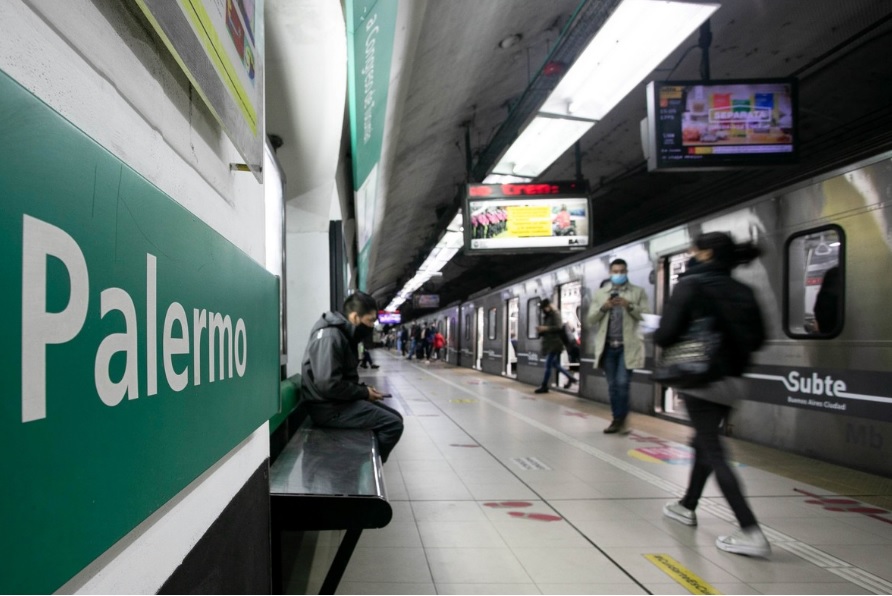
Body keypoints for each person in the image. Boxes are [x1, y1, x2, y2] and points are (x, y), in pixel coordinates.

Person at [654, 232, 770, 558]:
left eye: (693, 250)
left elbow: (665, 334)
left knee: (714, 450)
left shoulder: (691, 284)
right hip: (733, 380)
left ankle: (750, 530)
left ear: (704, 254)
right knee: (703, 442)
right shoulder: (743, 290)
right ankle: (686, 505)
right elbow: (759, 339)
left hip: (701, 377)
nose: (691, 256)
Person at [300, 292, 403, 462]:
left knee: (396, 417)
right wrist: (363, 393)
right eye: (370, 320)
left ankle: (365, 462)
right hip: (327, 409)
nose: (371, 326)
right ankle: (365, 466)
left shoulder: (341, 334)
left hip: (334, 403)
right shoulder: (330, 336)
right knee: (393, 424)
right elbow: (328, 384)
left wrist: (364, 390)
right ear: (355, 317)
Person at [587, 258, 650, 434]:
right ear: (610, 273)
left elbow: (646, 316)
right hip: (608, 347)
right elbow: (591, 319)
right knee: (613, 385)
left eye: (622, 271)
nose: (619, 274)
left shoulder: (638, 292)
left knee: (622, 383)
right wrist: (604, 307)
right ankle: (617, 419)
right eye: (615, 271)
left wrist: (629, 305)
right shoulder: (600, 294)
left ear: (626, 272)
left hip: (627, 346)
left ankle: (620, 419)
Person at [534, 299, 576, 393]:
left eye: (545, 308)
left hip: (555, 344)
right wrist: (541, 330)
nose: (544, 310)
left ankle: (544, 386)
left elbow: (559, 327)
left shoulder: (556, 314)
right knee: (554, 364)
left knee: (548, 365)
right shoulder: (548, 316)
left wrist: (545, 328)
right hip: (550, 344)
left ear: (548, 306)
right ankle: (570, 377)